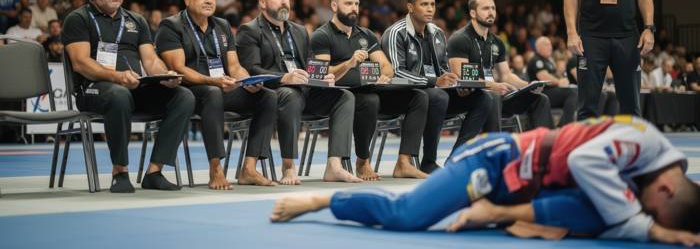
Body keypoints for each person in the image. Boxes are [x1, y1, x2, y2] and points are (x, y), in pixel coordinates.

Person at [270, 116, 700, 246]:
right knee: (407, 216)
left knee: (606, 213)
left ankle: (497, 212)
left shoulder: (657, 171)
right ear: (666, 189)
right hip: (495, 162)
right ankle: (326, 200)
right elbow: (585, 160)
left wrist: (646, 225)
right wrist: (649, 228)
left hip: (522, 189)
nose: (644, 211)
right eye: (653, 209)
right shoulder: (643, 141)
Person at [62, 0, 193, 193]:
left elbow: (150, 60)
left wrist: (164, 74)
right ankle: (120, 172)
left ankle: (154, 172)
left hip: (132, 86)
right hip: (93, 90)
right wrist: (117, 77)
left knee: (183, 96)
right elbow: (80, 63)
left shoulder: (136, 20)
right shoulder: (78, 18)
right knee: (119, 94)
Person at [155, 0, 278, 189]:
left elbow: (234, 66)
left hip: (222, 87)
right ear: (187, 0)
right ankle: (216, 168)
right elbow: (179, 69)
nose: (209, 0)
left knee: (267, 96)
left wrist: (247, 80)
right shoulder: (171, 26)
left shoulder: (222, 25)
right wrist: (214, 81)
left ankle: (249, 168)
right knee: (212, 92)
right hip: (189, 92)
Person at [236, 0, 360, 184]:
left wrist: (322, 75)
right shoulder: (250, 30)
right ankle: (289, 166)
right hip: (272, 94)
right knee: (290, 94)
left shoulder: (300, 31)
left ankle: (334, 165)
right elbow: (252, 70)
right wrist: (284, 78)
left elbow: (310, 65)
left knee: (344, 97)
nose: (284, 1)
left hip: (305, 92)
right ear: (262, 3)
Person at [310, 0, 429, 180]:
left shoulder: (366, 34)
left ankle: (404, 162)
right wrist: (348, 64)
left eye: (356, 4)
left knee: (419, 97)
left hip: (372, 90)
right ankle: (363, 162)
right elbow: (321, 73)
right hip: (341, 97)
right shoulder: (322, 36)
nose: (354, 8)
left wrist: (385, 75)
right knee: (370, 100)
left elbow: (387, 66)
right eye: (348, 3)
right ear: (334, 6)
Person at [380, 0, 493, 173]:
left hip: (436, 95)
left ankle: (456, 159)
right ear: (410, 7)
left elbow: (443, 69)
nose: (430, 9)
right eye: (424, 4)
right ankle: (429, 161)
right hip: (404, 95)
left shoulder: (437, 33)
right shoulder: (396, 33)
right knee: (438, 96)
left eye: (432, 4)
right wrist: (434, 82)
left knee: (483, 99)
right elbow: (397, 72)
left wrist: (456, 84)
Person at [448, 0, 554, 130]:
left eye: (493, 8)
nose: (491, 12)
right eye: (485, 8)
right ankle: (494, 141)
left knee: (539, 98)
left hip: (495, 93)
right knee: (493, 95)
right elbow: (463, 78)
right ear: (473, 13)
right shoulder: (460, 38)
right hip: (471, 96)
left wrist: (529, 86)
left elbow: (506, 75)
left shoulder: (497, 41)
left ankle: (542, 141)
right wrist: (493, 85)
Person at [527, 37, 577, 126]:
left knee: (575, 91)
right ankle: (566, 126)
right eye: (546, 44)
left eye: (550, 44)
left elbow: (557, 75)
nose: (550, 47)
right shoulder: (536, 60)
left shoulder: (548, 61)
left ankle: (564, 125)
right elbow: (543, 76)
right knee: (572, 93)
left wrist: (563, 79)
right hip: (541, 93)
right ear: (538, 47)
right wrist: (559, 82)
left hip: (552, 91)